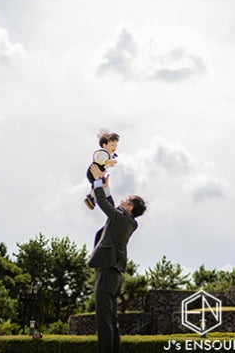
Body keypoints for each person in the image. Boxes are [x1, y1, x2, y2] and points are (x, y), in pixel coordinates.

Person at [87, 164, 147, 353]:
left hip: (107, 273)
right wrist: (105, 187)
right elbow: (113, 209)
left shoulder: (122, 219)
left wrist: (97, 181)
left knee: (104, 320)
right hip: (113, 275)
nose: (122, 200)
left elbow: (104, 204)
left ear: (130, 207)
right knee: (111, 320)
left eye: (126, 200)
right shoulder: (126, 221)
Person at [84, 131, 120, 210]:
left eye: (115, 146)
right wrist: (109, 162)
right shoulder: (102, 153)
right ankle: (91, 197)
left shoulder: (108, 155)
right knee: (99, 184)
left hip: (98, 172)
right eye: (112, 145)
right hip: (93, 170)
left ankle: (92, 198)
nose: (114, 147)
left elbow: (106, 163)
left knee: (101, 185)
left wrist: (110, 162)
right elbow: (101, 160)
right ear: (104, 145)